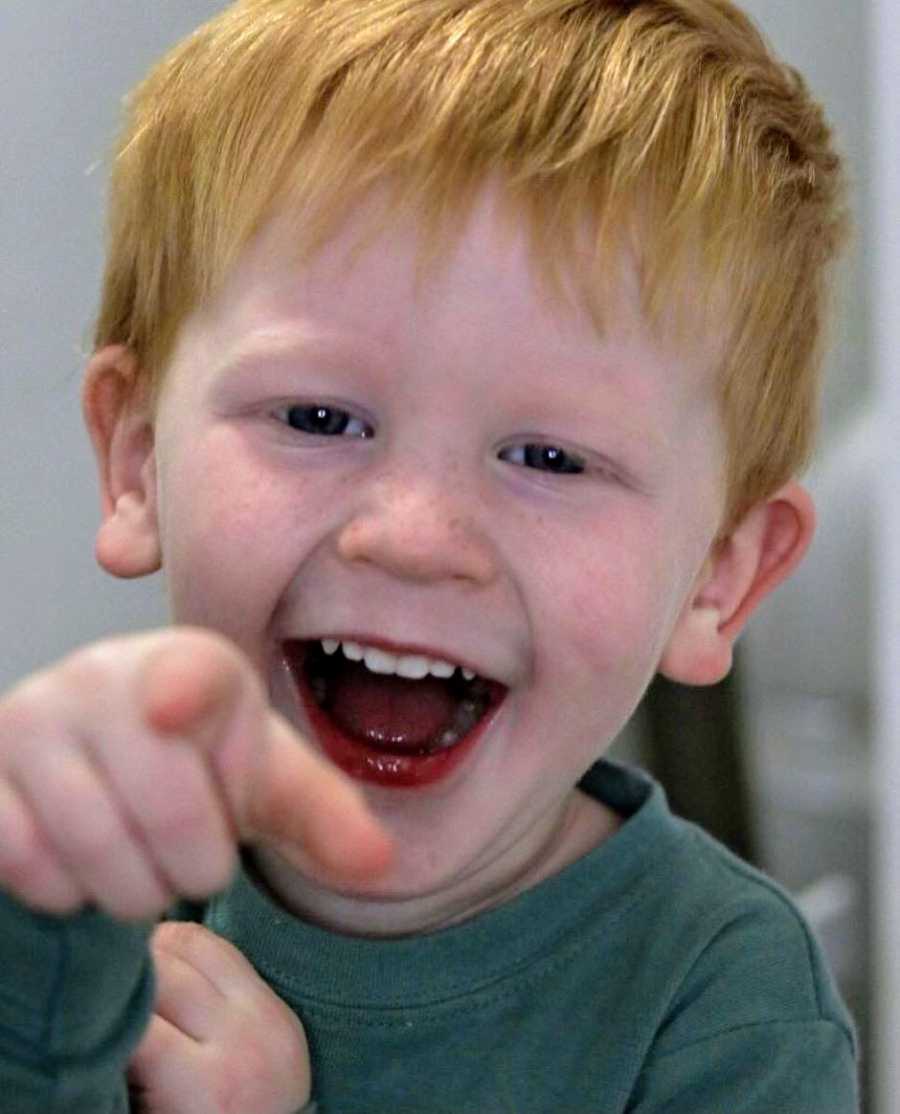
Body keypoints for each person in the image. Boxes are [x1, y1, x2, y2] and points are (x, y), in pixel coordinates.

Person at [0, 1, 859, 1111]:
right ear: (139, 459)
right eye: (317, 418)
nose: (412, 537)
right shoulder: (78, 894)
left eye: (549, 455)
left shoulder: (726, 1010)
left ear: (719, 575)